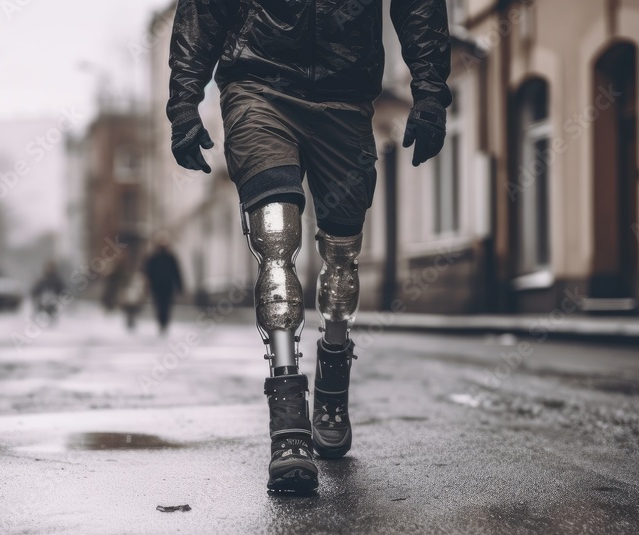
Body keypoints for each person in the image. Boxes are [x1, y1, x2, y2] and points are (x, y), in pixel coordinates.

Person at [167, 0, 451, 492]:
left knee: (342, 254)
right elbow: (204, 9)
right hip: (259, 86)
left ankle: (333, 374)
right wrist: (183, 102)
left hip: (346, 97)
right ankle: (288, 423)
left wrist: (429, 90)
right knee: (275, 239)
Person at [144, 235, 184, 334]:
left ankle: (164, 322)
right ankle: (161, 322)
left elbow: (177, 272)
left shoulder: (170, 258)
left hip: (167, 286)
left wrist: (180, 286)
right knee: (159, 305)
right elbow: (148, 273)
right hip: (157, 286)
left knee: (166, 305)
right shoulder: (153, 258)